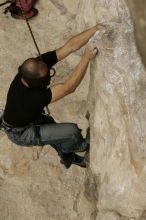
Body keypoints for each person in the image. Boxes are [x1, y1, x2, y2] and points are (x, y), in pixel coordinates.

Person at [2, 24, 104, 169]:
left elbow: (68, 47)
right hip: (22, 133)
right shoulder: (28, 99)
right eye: (46, 77)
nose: (49, 76)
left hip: (26, 118)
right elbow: (68, 87)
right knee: (72, 132)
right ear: (34, 83)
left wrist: (94, 29)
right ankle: (71, 149)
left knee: (55, 133)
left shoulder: (34, 68)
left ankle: (67, 157)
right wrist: (86, 58)